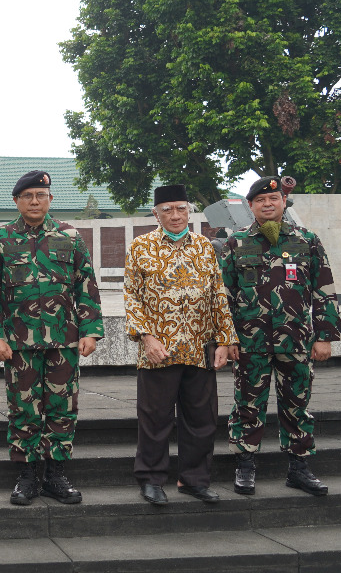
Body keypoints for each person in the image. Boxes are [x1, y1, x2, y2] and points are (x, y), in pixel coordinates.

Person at [0, 170, 103, 506]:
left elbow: (86, 285)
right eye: (28, 196)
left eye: (41, 195)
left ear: (50, 199)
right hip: (19, 342)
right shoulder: (0, 237)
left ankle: (56, 475)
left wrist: (90, 330)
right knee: (23, 409)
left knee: (63, 407)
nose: (35, 201)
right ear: (16, 201)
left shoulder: (70, 236)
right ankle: (28, 475)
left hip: (64, 339)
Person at [219, 176, 341, 497]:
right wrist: (226, 338)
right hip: (250, 343)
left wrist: (325, 335)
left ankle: (299, 468)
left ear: (283, 202)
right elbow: (223, 296)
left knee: (297, 404)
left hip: (296, 342)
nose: (268, 204)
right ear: (251, 206)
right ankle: (245, 466)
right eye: (260, 200)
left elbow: (324, 290)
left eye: (273, 198)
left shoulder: (307, 241)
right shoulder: (237, 244)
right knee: (248, 404)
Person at [124, 184, 238, 506]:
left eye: (181, 209)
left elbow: (218, 295)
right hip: (159, 350)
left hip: (200, 349)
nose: (175, 216)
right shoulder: (140, 247)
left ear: (189, 210)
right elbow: (132, 297)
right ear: (156, 213)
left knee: (201, 420)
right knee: (155, 418)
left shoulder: (205, 247)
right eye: (167, 210)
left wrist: (224, 340)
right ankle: (151, 479)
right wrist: (146, 337)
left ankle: (193, 480)